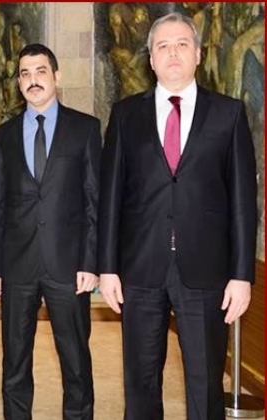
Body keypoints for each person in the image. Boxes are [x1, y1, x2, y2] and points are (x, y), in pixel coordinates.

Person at [98, 13, 257, 420]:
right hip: (139, 271)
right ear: (150, 59)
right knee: (140, 385)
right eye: (163, 46)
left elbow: (243, 201)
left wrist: (242, 275)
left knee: (205, 388)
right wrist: (107, 268)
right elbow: (110, 197)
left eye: (182, 44)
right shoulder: (125, 115)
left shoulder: (228, 114)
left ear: (198, 54)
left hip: (206, 272)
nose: (173, 53)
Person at [0, 43, 101, 420]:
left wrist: (90, 262)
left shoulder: (85, 129)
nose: (32, 80)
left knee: (76, 361)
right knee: (15, 362)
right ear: (19, 83)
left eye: (40, 72)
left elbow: (93, 201)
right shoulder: (2, 135)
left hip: (69, 267)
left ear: (56, 77)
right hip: (17, 267)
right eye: (25, 74)